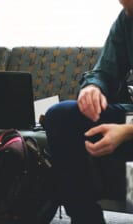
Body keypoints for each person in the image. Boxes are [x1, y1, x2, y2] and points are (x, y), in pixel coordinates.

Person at [43, 0, 133, 223]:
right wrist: (93, 87)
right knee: (61, 116)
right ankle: (86, 218)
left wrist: (128, 131)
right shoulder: (126, 19)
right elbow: (104, 71)